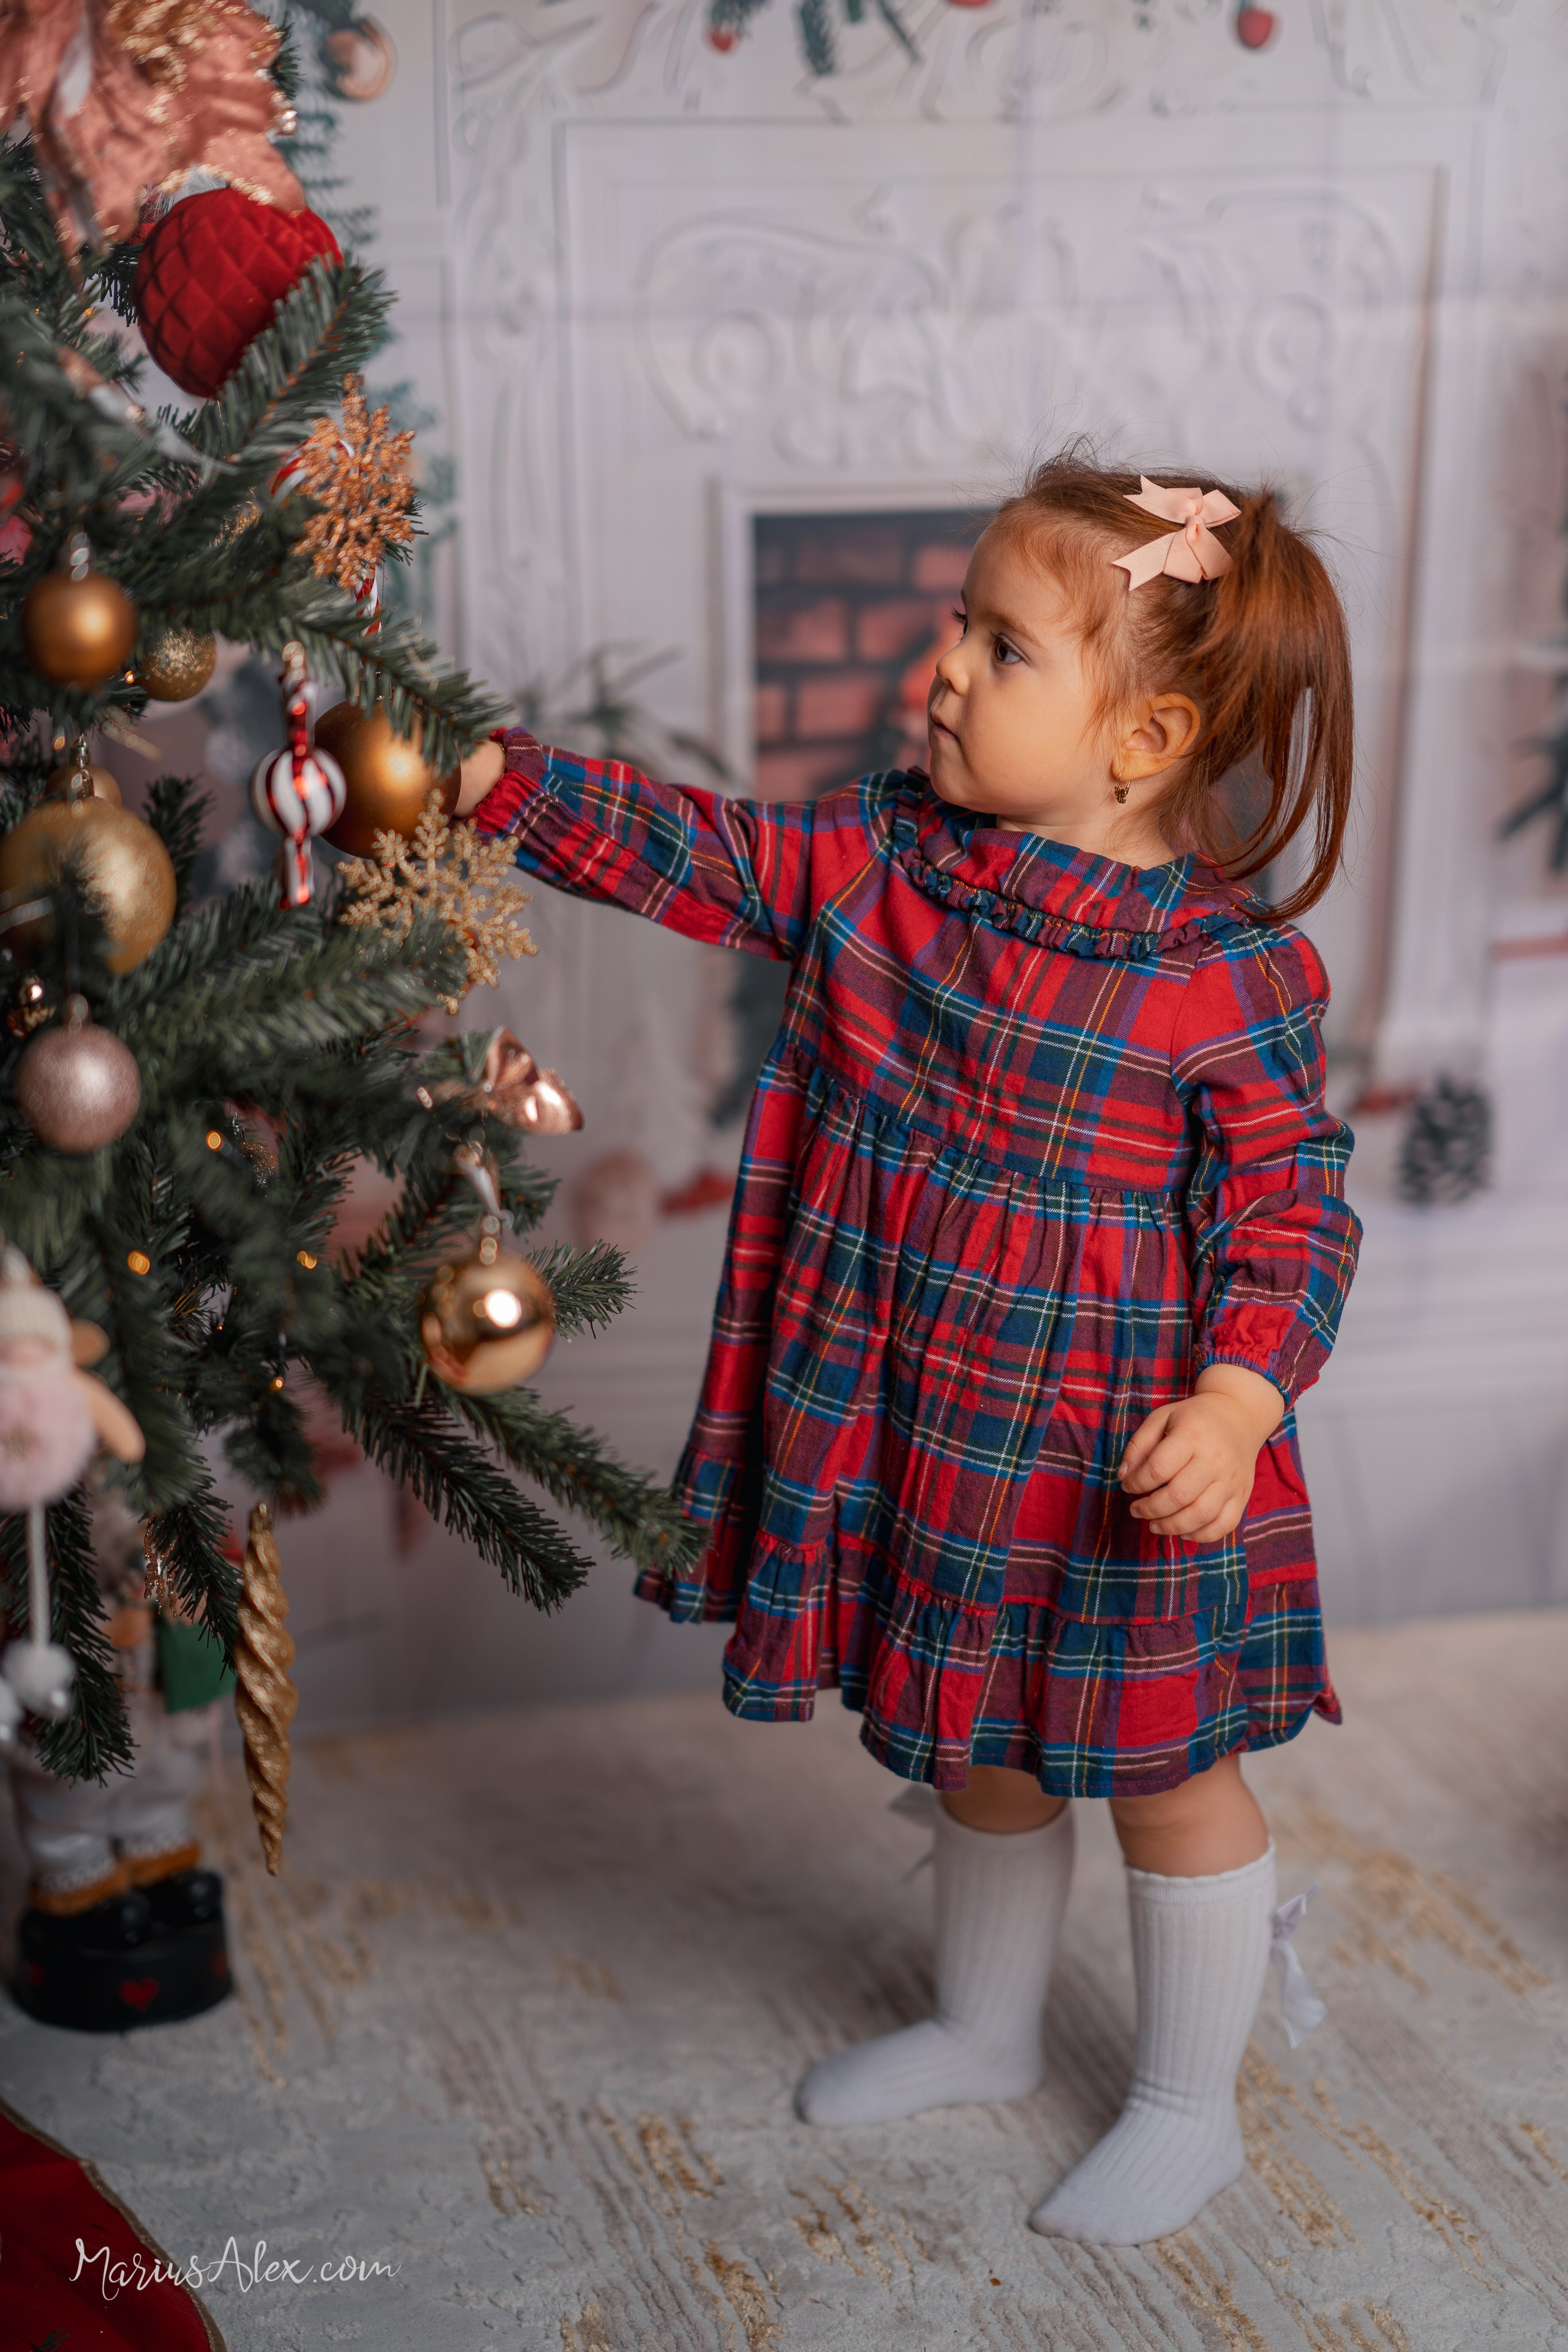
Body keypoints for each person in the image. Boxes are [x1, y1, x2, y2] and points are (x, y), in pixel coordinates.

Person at [458, 453, 1360, 2245]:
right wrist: (488, 783)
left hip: (1119, 1455)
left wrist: (1242, 1392)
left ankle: (1191, 2109)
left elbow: (1295, 1210)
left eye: (1002, 646)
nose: (939, 664)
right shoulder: (882, 863)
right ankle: (985, 2022)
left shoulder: (1222, 977)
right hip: (933, 1419)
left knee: (1167, 1776)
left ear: (1146, 737)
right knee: (978, 1741)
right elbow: (696, 848)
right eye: (958, 621)